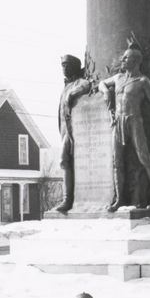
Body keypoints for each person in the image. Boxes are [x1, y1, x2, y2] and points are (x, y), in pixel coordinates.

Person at [102, 45, 150, 211]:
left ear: (136, 61)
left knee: (145, 158)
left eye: (126, 58)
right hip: (118, 122)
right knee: (117, 162)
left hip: (134, 121)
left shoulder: (143, 81)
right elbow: (102, 83)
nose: (123, 60)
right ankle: (120, 199)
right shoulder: (118, 78)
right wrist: (106, 92)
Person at [51, 54, 94, 212]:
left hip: (74, 131)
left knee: (64, 160)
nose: (64, 68)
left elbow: (86, 85)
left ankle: (68, 200)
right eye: (62, 65)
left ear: (75, 67)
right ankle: (70, 199)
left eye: (67, 65)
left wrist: (72, 93)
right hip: (64, 130)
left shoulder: (77, 83)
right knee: (66, 162)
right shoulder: (65, 86)